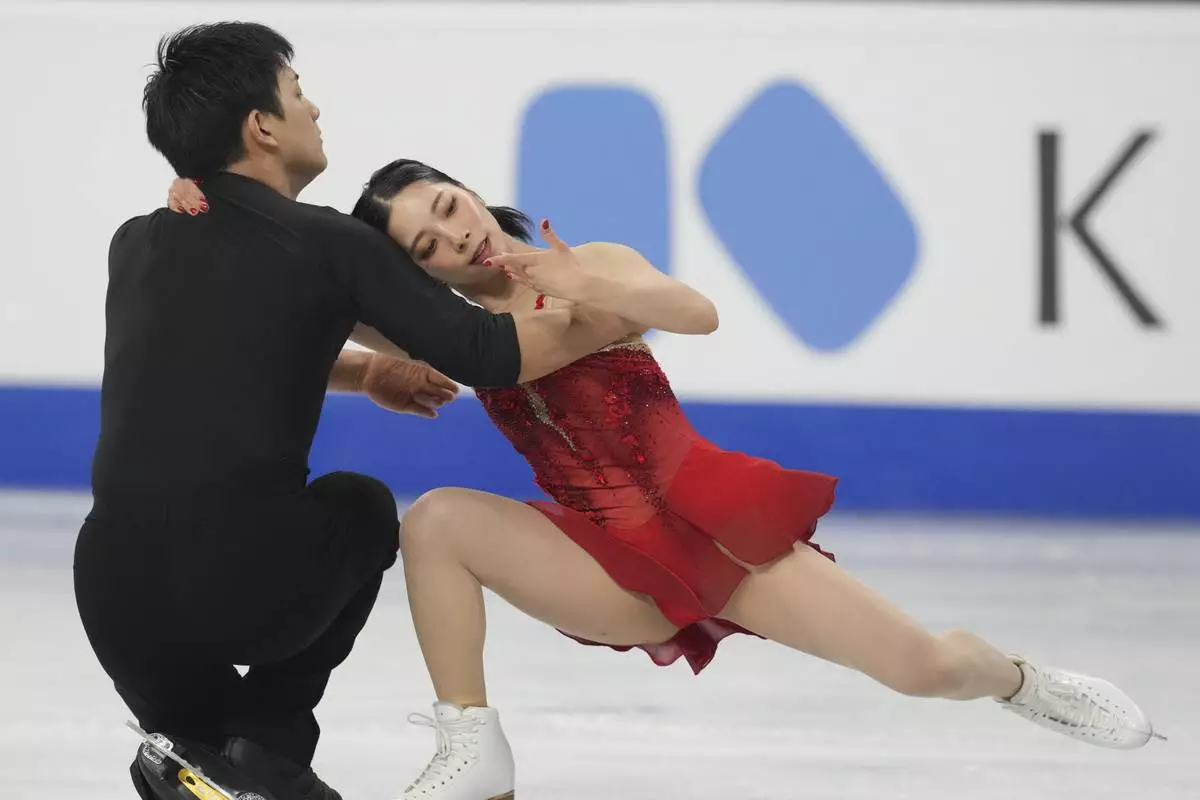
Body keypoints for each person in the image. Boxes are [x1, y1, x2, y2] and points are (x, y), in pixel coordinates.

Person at [168, 159, 1162, 800]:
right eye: (422, 245)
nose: (451, 237)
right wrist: (232, 229)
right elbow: (276, 332)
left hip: (718, 530)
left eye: (448, 208)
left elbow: (693, 311)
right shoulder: (437, 323)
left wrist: (589, 283)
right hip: (605, 559)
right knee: (434, 520)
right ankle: (475, 745)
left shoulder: (586, 260)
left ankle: (1021, 679)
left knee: (924, 667)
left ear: (467, 189)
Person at [78, 23, 627, 800]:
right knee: (361, 507)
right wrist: (618, 299)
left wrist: (365, 372)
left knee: (218, 763)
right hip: (236, 583)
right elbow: (486, 350)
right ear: (261, 126)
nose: (315, 109)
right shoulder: (328, 243)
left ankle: (221, 759)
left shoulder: (134, 242)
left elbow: (213, 355)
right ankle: (266, 748)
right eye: (297, 93)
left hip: (114, 599)